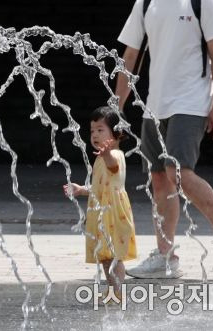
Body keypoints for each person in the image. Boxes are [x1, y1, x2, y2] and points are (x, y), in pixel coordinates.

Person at [115, 0, 213, 278]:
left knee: (179, 173)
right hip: (155, 104)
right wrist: (116, 108)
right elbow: (130, 56)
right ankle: (166, 256)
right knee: (160, 178)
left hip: (191, 101)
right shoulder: (146, 3)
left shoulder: (205, 2)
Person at [64, 106, 137, 300]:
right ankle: (113, 289)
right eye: (92, 131)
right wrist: (82, 189)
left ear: (118, 133)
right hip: (102, 213)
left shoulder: (116, 156)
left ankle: (119, 291)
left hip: (114, 214)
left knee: (113, 256)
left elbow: (113, 166)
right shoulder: (100, 159)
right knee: (105, 256)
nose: (94, 135)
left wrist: (106, 155)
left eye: (100, 130)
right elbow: (99, 189)